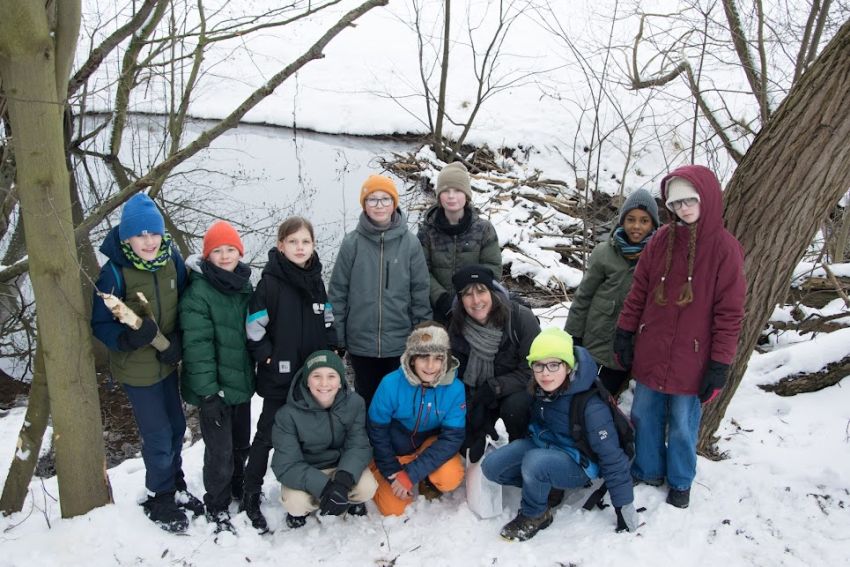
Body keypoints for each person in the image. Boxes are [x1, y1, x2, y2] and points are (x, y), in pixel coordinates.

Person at [614, 165, 745, 509]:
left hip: (693, 359)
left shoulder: (725, 249)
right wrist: (625, 332)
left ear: (706, 198)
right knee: (644, 414)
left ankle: (681, 480)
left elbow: (730, 314)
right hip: (652, 349)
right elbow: (638, 292)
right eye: (676, 203)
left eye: (690, 200)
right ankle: (648, 469)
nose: (683, 208)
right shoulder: (660, 240)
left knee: (683, 425)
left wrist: (720, 364)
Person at [91, 192, 202, 533]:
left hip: (166, 361)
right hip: (137, 370)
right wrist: (126, 340)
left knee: (177, 428)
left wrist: (178, 339)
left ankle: (175, 483)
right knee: (158, 435)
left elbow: (186, 301)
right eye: (140, 235)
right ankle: (158, 495)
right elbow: (100, 323)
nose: (149, 241)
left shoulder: (171, 260)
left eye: (154, 233)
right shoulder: (114, 273)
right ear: (127, 238)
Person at [482, 327, 636, 541]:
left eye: (554, 364)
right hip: (545, 446)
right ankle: (546, 486)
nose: (545, 373)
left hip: (577, 462)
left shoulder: (590, 406)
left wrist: (624, 506)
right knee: (492, 466)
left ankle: (535, 514)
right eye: (538, 365)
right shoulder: (541, 389)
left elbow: (612, 456)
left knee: (535, 463)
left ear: (568, 366)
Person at [243, 216, 336, 533]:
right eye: (293, 241)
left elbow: (327, 318)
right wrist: (266, 356)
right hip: (279, 377)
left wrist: (333, 346)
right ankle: (250, 491)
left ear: (313, 245)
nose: (300, 247)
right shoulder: (270, 282)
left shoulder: (316, 281)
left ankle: (305, 495)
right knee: (267, 435)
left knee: (310, 436)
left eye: (305, 241)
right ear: (280, 245)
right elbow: (254, 326)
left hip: (313, 378)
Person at [328, 174, 431, 410]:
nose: (379, 205)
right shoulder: (352, 243)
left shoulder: (410, 243)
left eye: (385, 199)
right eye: (372, 199)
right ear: (364, 204)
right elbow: (338, 293)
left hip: (399, 342)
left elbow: (420, 293)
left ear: (394, 203)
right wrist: (337, 338)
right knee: (366, 400)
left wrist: (422, 337)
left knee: (396, 402)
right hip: (360, 343)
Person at [179, 220, 254, 534]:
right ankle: (217, 503)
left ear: (239, 253)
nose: (225, 256)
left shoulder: (243, 286)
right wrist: (209, 394)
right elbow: (198, 349)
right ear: (207, 256)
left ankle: (238, 484)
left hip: (241, 384)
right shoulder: (198, 293)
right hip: (215, 390)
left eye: (230, 250)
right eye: (217, 251)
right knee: (220, 452)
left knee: (240, 444)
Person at [564, 189, 659, 396]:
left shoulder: (657, 260)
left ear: (653, 225)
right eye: (631, 219)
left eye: (644, 221)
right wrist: (573, 335)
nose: (636, 226)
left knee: (605, 399)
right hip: (593, 340)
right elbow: (584, 297)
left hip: (624, 350)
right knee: (579, 393)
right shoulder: (604, 253)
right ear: (622, 221)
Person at [367, 322, 466, 516]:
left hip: (426, 448)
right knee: (393, 509)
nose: (430, 366)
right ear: (412, 358)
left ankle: (424, 478)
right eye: (423, 357)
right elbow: (376, 432)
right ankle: (377, 476)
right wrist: (391, 471)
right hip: (393, 453)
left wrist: (411, 474)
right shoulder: (390, 384)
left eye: (438, 358)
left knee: (450, 477)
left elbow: (452, 438)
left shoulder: (455, 389)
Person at [271, 350, 377, 529]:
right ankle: (310, 507)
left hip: (341, 467)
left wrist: (342, 482)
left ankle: (348, 500)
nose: (324, 383)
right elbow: (286, 463)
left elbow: (358, 445)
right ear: (307, 380)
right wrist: (326, 488)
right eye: (316, 376)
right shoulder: (288, 414)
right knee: (295, 503)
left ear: (340, 380)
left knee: (367, 487)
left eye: (331, 376)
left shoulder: (354, 403)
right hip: (308, 470)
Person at [448, 264, 540, 462]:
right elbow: (455, 375)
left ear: (491, 291)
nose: (476, 300)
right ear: (460, 299)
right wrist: (474, 412)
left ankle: (522, 447)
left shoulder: (520, 318)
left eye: (481, 291)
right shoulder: (455, 325)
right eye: (468, 294)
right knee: (468, 447)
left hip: (512, 391)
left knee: (516, 407)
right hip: (477, 395)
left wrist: (495, 387)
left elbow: (533, 371)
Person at [418, 161, 502, 324]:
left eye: (457, 190)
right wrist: (441, 298)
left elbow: (492, 268)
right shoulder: (426, 232)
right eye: (446, 191)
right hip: (437, 308)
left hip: (475, 307)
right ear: (439, 196)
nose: (451, 196)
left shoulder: (484, 229)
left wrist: (470, 297)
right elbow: (421, 272)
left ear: (466, 195)